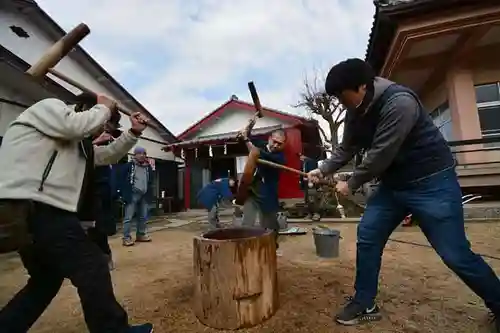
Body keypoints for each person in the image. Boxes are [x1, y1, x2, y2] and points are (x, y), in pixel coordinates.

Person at [307, 58, 500, 331]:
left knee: (455, 254)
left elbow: (381, 154)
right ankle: (365, 302)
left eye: (341, 95)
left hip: (432, 182)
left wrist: (350, 183)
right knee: (368, 235)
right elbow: (346, 148)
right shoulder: (354, 109)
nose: (340, 102)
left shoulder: (399, 103)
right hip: (394, 186)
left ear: (362, 86)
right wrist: (323, 169)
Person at [0, 93, 154, 332]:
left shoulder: (71, 144)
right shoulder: (50, 106)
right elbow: (76, 125)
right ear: (85, 108)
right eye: (105, 124)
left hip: (36, 209)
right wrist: (104, 107)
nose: (103, 130)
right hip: (37, 206)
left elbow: (107, 155)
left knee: (45, 281)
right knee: (92, 266)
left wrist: (133, 133)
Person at [86, 114, 124, 270]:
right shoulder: (82, 135)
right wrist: (95, 142)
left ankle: (105, 257)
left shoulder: (113, 139)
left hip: (106, 187)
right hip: (87, 187)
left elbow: (120, 158)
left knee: (100, 226)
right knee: (89, 227)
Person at [239, 124, 286, 247]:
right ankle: (245, 248)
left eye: (280, 144)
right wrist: (248, 127)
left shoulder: (280, 158)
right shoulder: (260, 143)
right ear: (270, 138)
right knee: (247, 223)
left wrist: (246, 140)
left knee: (271, 226)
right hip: (252, 190)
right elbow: (246, 136)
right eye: (274, 142)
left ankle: (271, 247)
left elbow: (258, 154)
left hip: (268, 194)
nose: (276, 145)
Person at [119, 146, 154, 246]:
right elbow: (122, 180)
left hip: (144, 194)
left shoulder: (148, 167)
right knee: (128, 217)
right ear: (135, 155)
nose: (142, 155)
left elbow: (150, 181)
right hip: (132, 194)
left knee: (143, 216)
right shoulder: (129, 166)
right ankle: (126, 238)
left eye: (144, 153)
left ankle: (141, 235)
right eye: (139, 153)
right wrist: (122, 194)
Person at [299, 153, 321, 221]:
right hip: (305, 184)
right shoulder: (303, 163)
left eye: (301, 156)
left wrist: (310, 181)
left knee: (312, 199)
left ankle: (316, 213)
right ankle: (309, 213)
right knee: (307, 200)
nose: (300, 157)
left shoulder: (311, 161)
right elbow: (301, 173)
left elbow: (313, 174)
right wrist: (301, 183)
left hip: (311, 183)